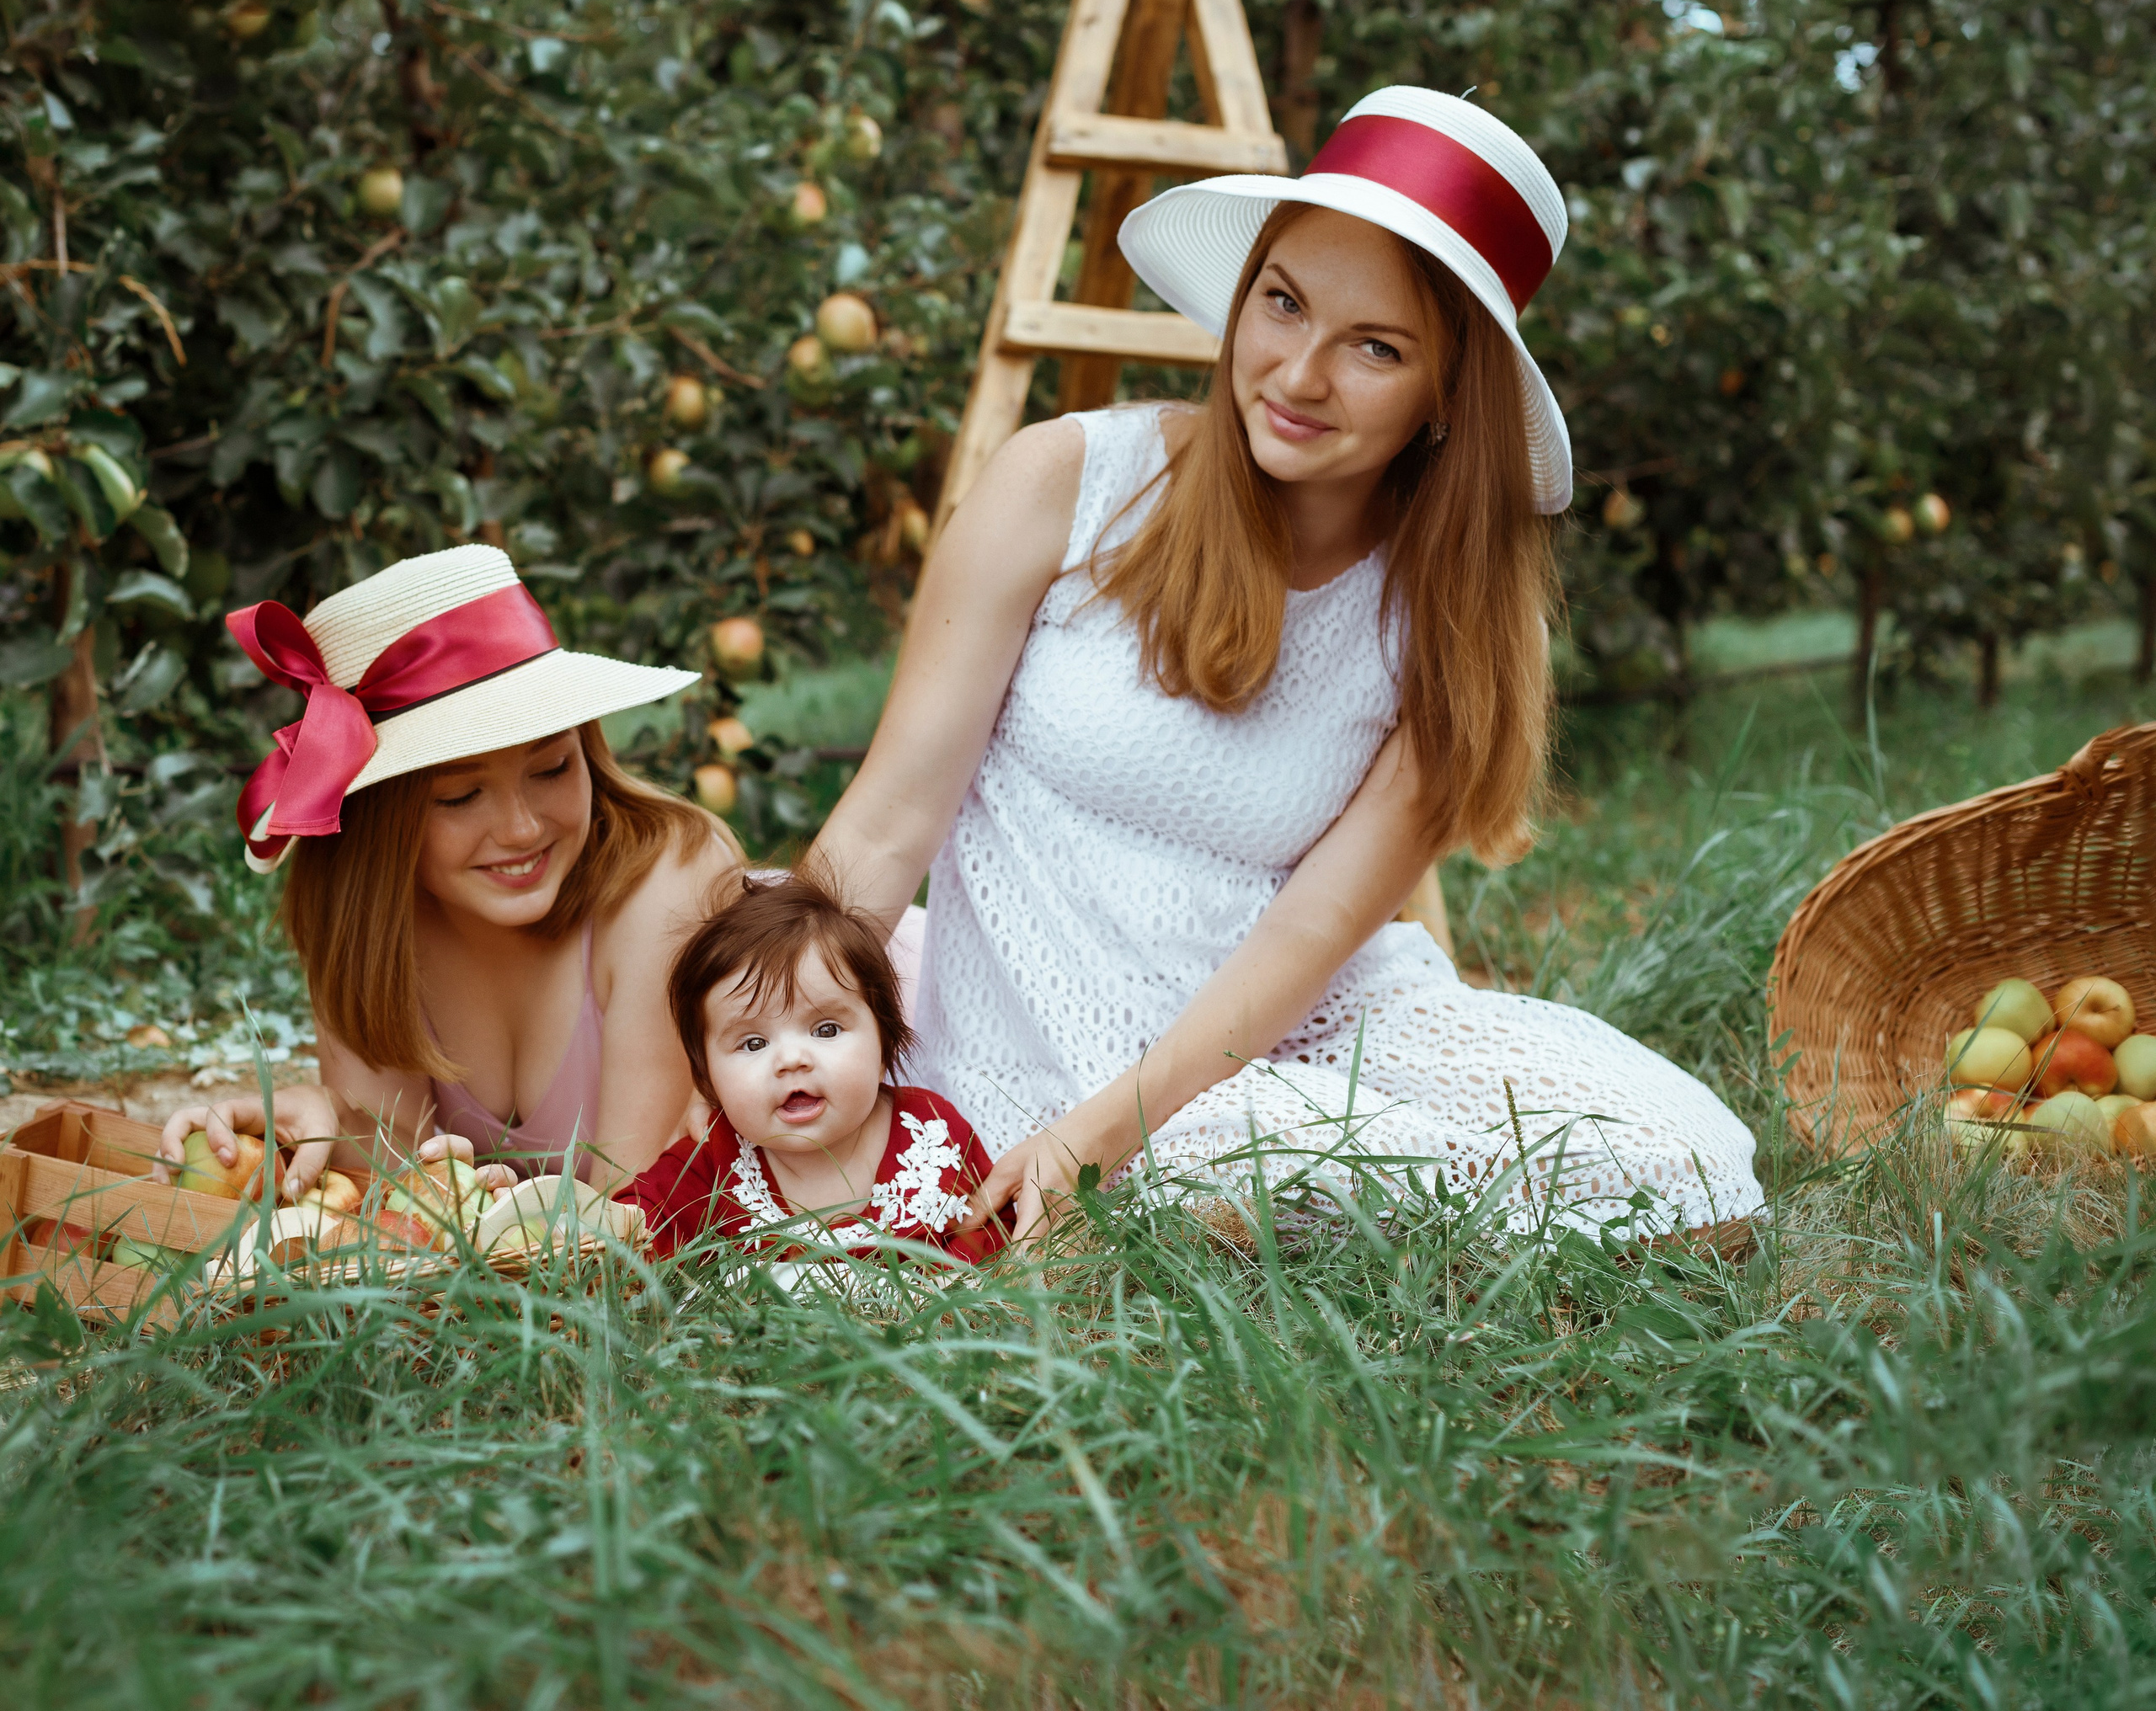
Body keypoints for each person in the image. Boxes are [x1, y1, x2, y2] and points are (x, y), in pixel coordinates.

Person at [808, 85, 1768, 1243]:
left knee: (1692, 1167)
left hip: (1286, 1021)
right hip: (1035, 1025)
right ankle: (1243, 1212)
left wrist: (1101, 1136)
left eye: (1375, 346)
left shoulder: (1447, 617)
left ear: (1444, 396)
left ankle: (1239, 1206)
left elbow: (1310, 935)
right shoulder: (1067, 485)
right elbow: (883, 827)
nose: (1298, 375)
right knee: (1259, 1176)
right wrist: (739, 1091)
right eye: (1282, 302)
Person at [153, 545, 740, 1198]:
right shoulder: (374, 923)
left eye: (552, 769)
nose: (522, 828)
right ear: (379, 823)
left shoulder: (668, 884)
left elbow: (627, 1225)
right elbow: (410, 1207)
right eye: (460, 797)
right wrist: (331, 1125)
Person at [620, 872, 1008, 1265]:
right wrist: (611, 1236)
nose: (792, 1060)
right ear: (707, 1080)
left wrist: (955, 1280)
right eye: (753, 1043)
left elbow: (993, 1222)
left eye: (826, 1029)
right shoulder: (714, 1158)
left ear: (884, 1043)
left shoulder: (932, 1134)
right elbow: (637, 1218)